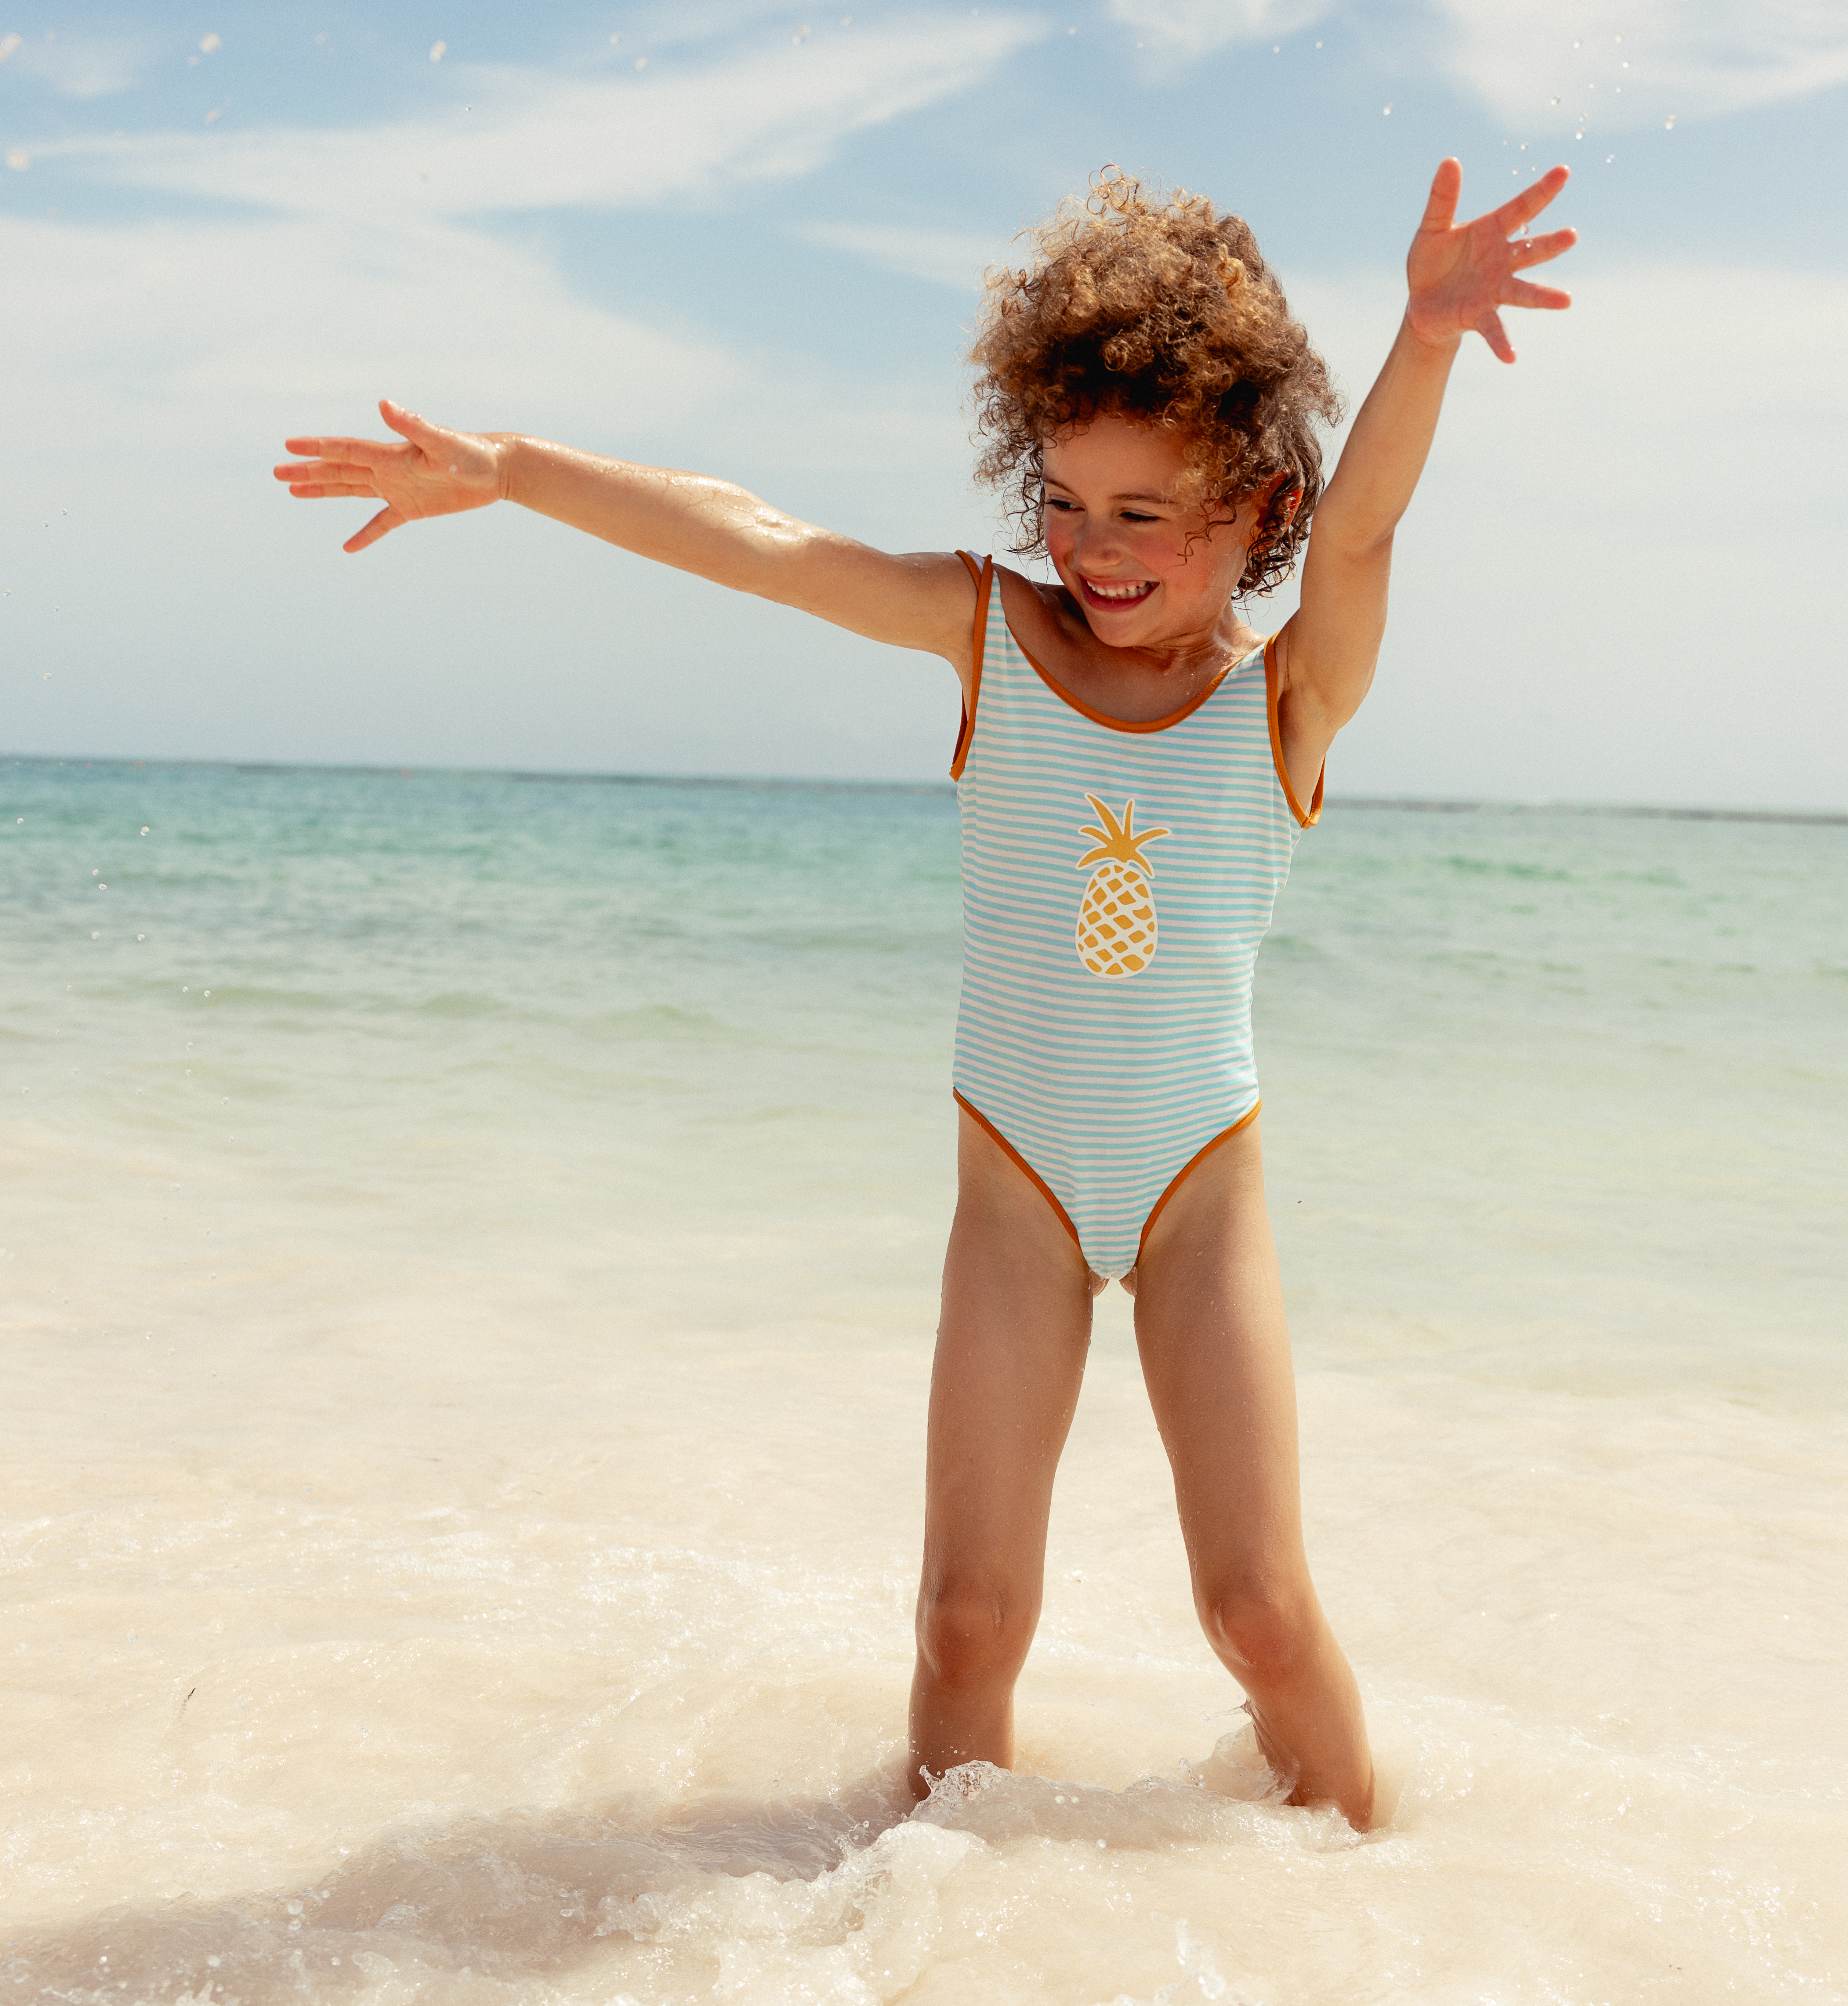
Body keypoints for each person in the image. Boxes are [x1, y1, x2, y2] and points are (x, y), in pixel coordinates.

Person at [273, 159, 1576, 1828]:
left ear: (1253, 508)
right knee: (968, 1618)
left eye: (1141, 512)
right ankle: (928, 1925)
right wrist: (516, 471)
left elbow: (1374, 520)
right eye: (1065, 499)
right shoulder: (987, 640)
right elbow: (759, 543)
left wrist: (1428, 337)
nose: (1091, 552)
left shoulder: (1288, 704)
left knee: (1253, 1609)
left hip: (1196, 1198)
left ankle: (1367, 1908)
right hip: (1015, 1194)